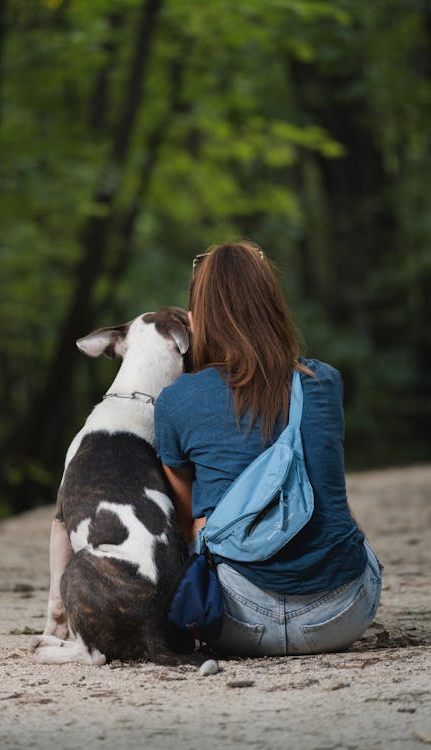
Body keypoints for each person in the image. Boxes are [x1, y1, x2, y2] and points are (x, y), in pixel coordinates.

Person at [154, 241, 382, 656]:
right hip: (341, 617)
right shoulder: (322, 382)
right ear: (274, 308)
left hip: (234, 621)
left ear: (194, 321)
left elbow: (188, 524)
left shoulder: (175, 401)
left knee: (206, 526)